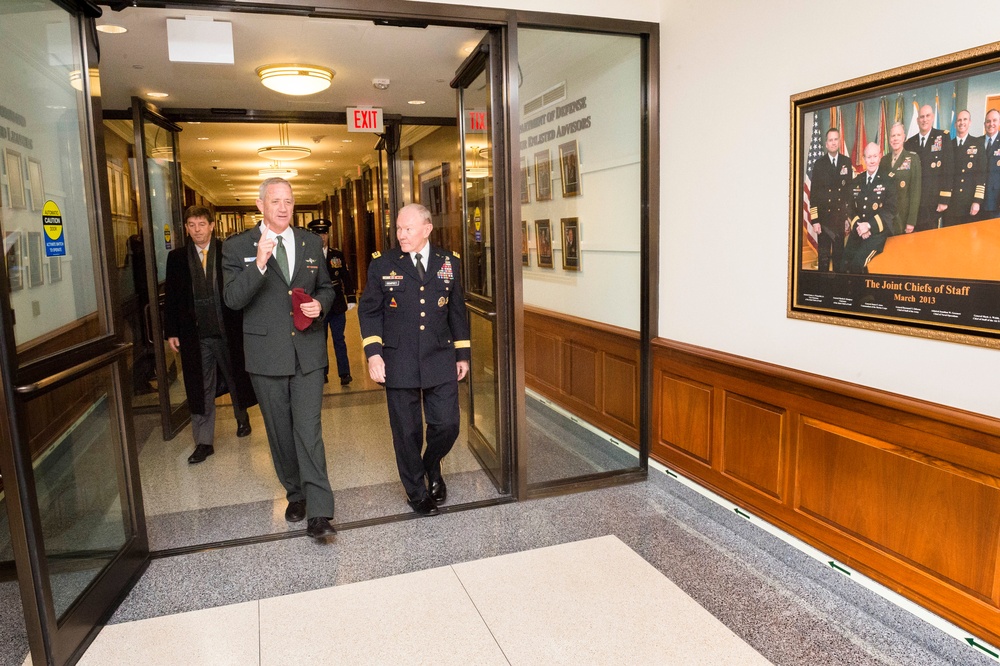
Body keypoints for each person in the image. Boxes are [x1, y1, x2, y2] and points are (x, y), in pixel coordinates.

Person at [222, 178, 337, 540]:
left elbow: (328, 287)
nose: (284, 208)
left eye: (288, 201)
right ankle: (295, 493)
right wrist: (258, 264)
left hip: (308, 353)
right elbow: (232, 299)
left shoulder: (310, 241)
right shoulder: (237, 247)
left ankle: (319, 511)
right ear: (260, 205)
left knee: (309, 431)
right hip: (266, 357)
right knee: (280, 434)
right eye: (275, 201)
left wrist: (322, 305)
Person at [358, 203, 470, 517]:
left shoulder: (449, 262)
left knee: (447, 424)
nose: (401, 235)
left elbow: (456, 311)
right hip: (399, 359)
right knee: (407, 432)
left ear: (427, 228)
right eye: (398, 229)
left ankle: (431, 464)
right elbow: (369, 312)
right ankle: (417, 492)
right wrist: (373, 354)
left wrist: (462, 354)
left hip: (440, 357)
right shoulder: (383, 264)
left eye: (408, 229)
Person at [165, 206, 256, 464]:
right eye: (191, 225)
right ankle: (204, 441)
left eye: (201, 224)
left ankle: (242, 418)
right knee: (200, 387)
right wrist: (171, 331)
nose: (197, 230)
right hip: (196, 335)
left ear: (212, 225)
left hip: (228, 329)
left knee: (235, 376)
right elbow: (172, 298)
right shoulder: (178, 259)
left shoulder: (226, 252)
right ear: (186, 228)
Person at [306, 218, 356, 385]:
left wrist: (350, 297)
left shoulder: (336, 254)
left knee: (339, 339)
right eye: (318, 233)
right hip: (318, 303)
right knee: (321, 340)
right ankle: (323, 373)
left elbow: (345, 276)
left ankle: (344, 373)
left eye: (324, 233)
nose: (322, 237)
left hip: (336, 302)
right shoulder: (308, 254)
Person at [844, 143, 895, 274]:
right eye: (868, 157)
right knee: (844, 263)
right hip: (858, 230)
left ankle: (862, 294)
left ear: (880, 157)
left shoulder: (888, 180)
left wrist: (869, 225)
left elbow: (890, 210)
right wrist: (859, 226)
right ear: (864, 159)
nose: (871, 160)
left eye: (874, 156)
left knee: (857, 264)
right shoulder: (857, 180)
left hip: (876, 233)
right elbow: (849, 207)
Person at [809, 128, 853, 271]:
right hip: (824, 220)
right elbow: (814, 195)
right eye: (830, 140)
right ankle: (823, 290)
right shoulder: (819, 164)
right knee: (824, 257)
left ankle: (837, 290)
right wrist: (815, 221)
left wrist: (848, 218)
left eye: (836, 139)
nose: (833, 143)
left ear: (839, 142)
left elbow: (848, 193)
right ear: (826, 144)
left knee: (839, 258)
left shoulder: (846, 162)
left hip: (839, 219)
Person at [903, 104, 952, 231]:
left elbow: (948, 169)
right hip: (914, 203)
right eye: (922, 117)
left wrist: (944, 199)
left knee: (930, 241)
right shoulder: (909, 143)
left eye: (927, 116)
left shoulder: (943, 137)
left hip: (933, 202)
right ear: (917, 120)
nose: (924, 119)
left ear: (933, 117)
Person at [878, 122, 921, 235]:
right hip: (887, 217)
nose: (895, 139)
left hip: (903, 217)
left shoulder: (913, 159)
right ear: (889, 138)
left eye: (898, 135)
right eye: (893, 136)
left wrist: (911, 221)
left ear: (904, 137)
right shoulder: (884, 160)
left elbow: (915, 192)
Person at [944, 110, 985, 227]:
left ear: (970, 122)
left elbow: (981, 174)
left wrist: (977, 201)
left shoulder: (977, 144)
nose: (962, 123)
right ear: (955, 124)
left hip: (969, 203)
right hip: (951, 203)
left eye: (965, 119)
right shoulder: (949, 145)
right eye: (959, 120)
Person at [982, 109, 1000, 215]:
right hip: (976, 201)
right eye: (988, 121)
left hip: (996, 200)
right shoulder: (977, 142)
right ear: (984, 124)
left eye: (994, 120)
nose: (991, 124)